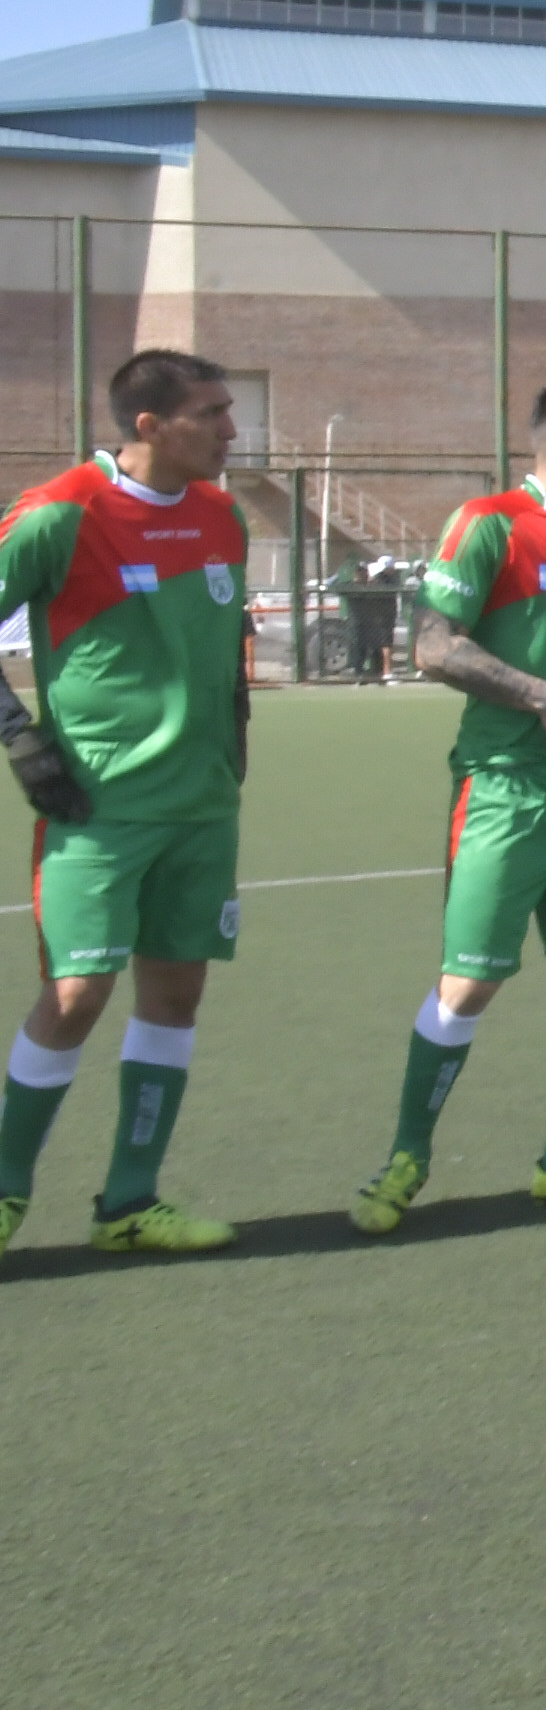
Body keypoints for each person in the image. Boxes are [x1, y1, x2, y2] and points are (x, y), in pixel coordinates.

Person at [355, 381, 546, 1234]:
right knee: (470, 983)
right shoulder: (489, 524)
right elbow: (432, 645)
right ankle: (406, 1158)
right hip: (505, 792)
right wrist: (540, 697)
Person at [0, 350, 253, 1260]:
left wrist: (235, 741)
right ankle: (4, 1193)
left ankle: (131, 1203)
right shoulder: (61, 513)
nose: (232, 428)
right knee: (75, 996)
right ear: (149, 425)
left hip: (202, 810)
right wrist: (24, 744)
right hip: (98, 809)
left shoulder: (224, 517)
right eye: (213, 413)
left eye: (231, 410)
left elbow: (226, 653)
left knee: (176, 996)